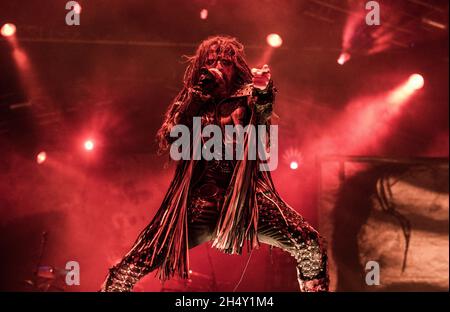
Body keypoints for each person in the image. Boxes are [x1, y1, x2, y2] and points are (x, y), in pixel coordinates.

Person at [100, 35, 329, 292]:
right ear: (201, 68)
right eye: (211, 62)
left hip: (247, 200)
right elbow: (172, 137)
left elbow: (263, 118)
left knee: (309, 243)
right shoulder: (191, 101)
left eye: (225, 63)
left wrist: (264, 91)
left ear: (235, 67)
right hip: (201, 201)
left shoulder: (247, 97)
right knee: (131, 264)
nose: (218, 67)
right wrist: (196, 97)